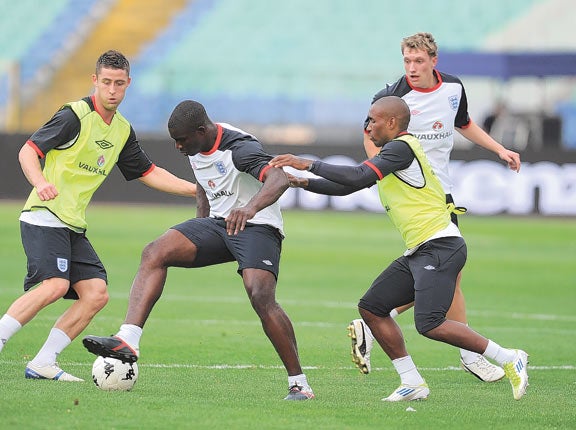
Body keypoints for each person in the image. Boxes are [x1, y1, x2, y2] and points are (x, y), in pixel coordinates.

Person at [269, 95, 529, 401]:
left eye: (373, 120)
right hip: (422, 248)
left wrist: (309, 163)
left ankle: (509, 357)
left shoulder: (402, 147)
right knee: (373, 307)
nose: (367, 127)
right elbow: (351, 185)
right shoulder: (393, 153)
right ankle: (412, 382)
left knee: (430, 323)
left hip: (441, 245)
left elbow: (356, 176)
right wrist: (302, 182)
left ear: (392, 122)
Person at [82, 100, 314, 401]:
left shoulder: (240, 149)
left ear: (202, 131)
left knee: (259, 294)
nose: (178, 147)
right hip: (219, 225)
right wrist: (199, 227)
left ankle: (299, 384)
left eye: (182, 141)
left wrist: (249, 209)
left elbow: (279, 179)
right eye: (175, 141)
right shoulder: (196, 145)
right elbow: (205, 183)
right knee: (155, 252)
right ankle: (128, 340)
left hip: (258, 226)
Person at [0, 50, 197, 382]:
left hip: (72, 225)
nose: (112, 90)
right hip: (44, 215)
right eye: (106, 82)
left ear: (128, 84)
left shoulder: (121, 130)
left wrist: (195, 190)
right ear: (95, 81)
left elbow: (148, 171)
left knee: (95, 293)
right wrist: (41, 182)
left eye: (119, 84)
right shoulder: (74, 115)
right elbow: (28, 151)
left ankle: (44, 361)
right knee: (55, 285)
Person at [349, 32, 521, 381]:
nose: (411, 68)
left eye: (418, 61)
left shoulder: (454, 89)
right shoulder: (392, 96)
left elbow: (464, 124)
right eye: (406, 61)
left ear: (433, 61)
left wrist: (499, 149)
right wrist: (379, 174)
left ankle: (375, 320)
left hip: (443, 193)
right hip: (419, 197)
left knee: (448, 273)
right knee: (447, 270)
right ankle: (470, 354)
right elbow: (369, 137)